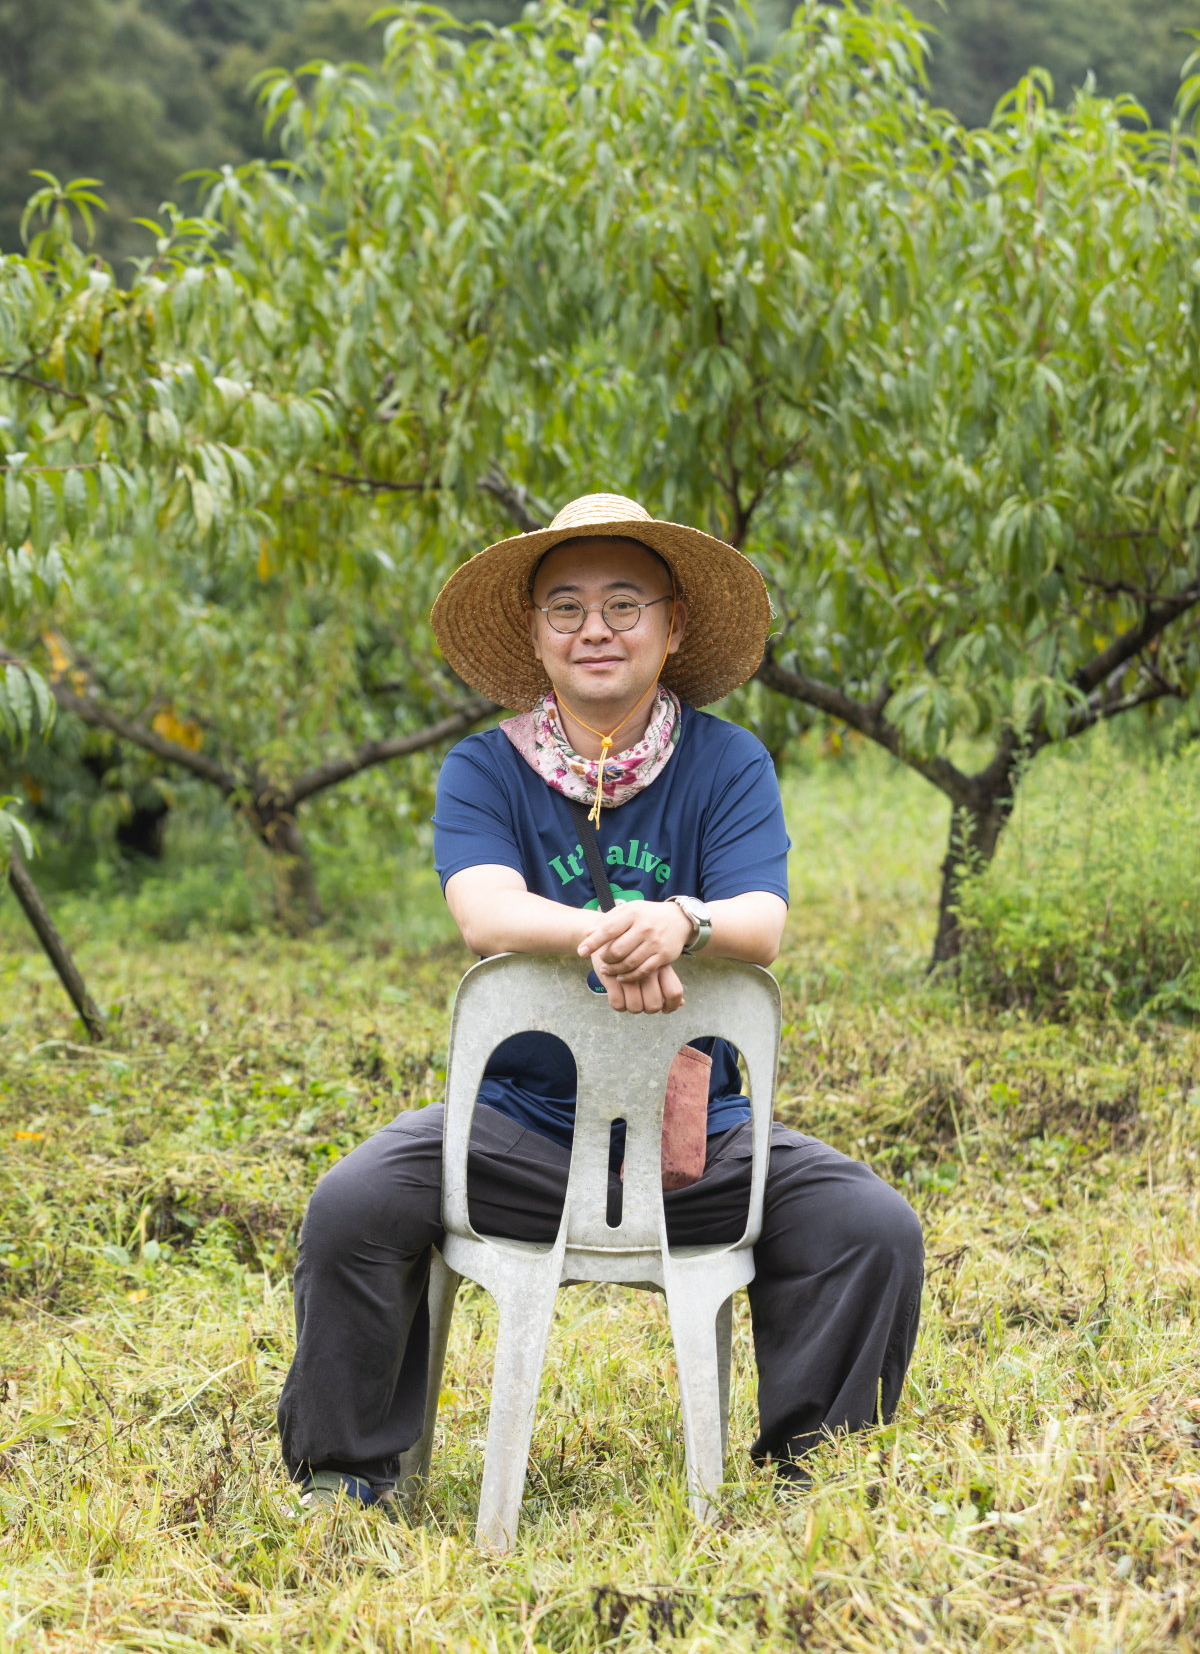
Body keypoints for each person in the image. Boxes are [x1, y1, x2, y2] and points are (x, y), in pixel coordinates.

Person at [277, 493, 923, 1511]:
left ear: (672, 628)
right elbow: (484, 911)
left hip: (695, 1142)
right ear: (534, 636)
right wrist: (606, 933)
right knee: (354, 1204)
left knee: (870, 1225)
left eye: (626, 603)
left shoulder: (728, 764)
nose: (595, 628)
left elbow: (761, 918)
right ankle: (349, 1480)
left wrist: (682, 920)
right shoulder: (484, 769)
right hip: (514, 1134)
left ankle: (818, 1480)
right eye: (566, 606)